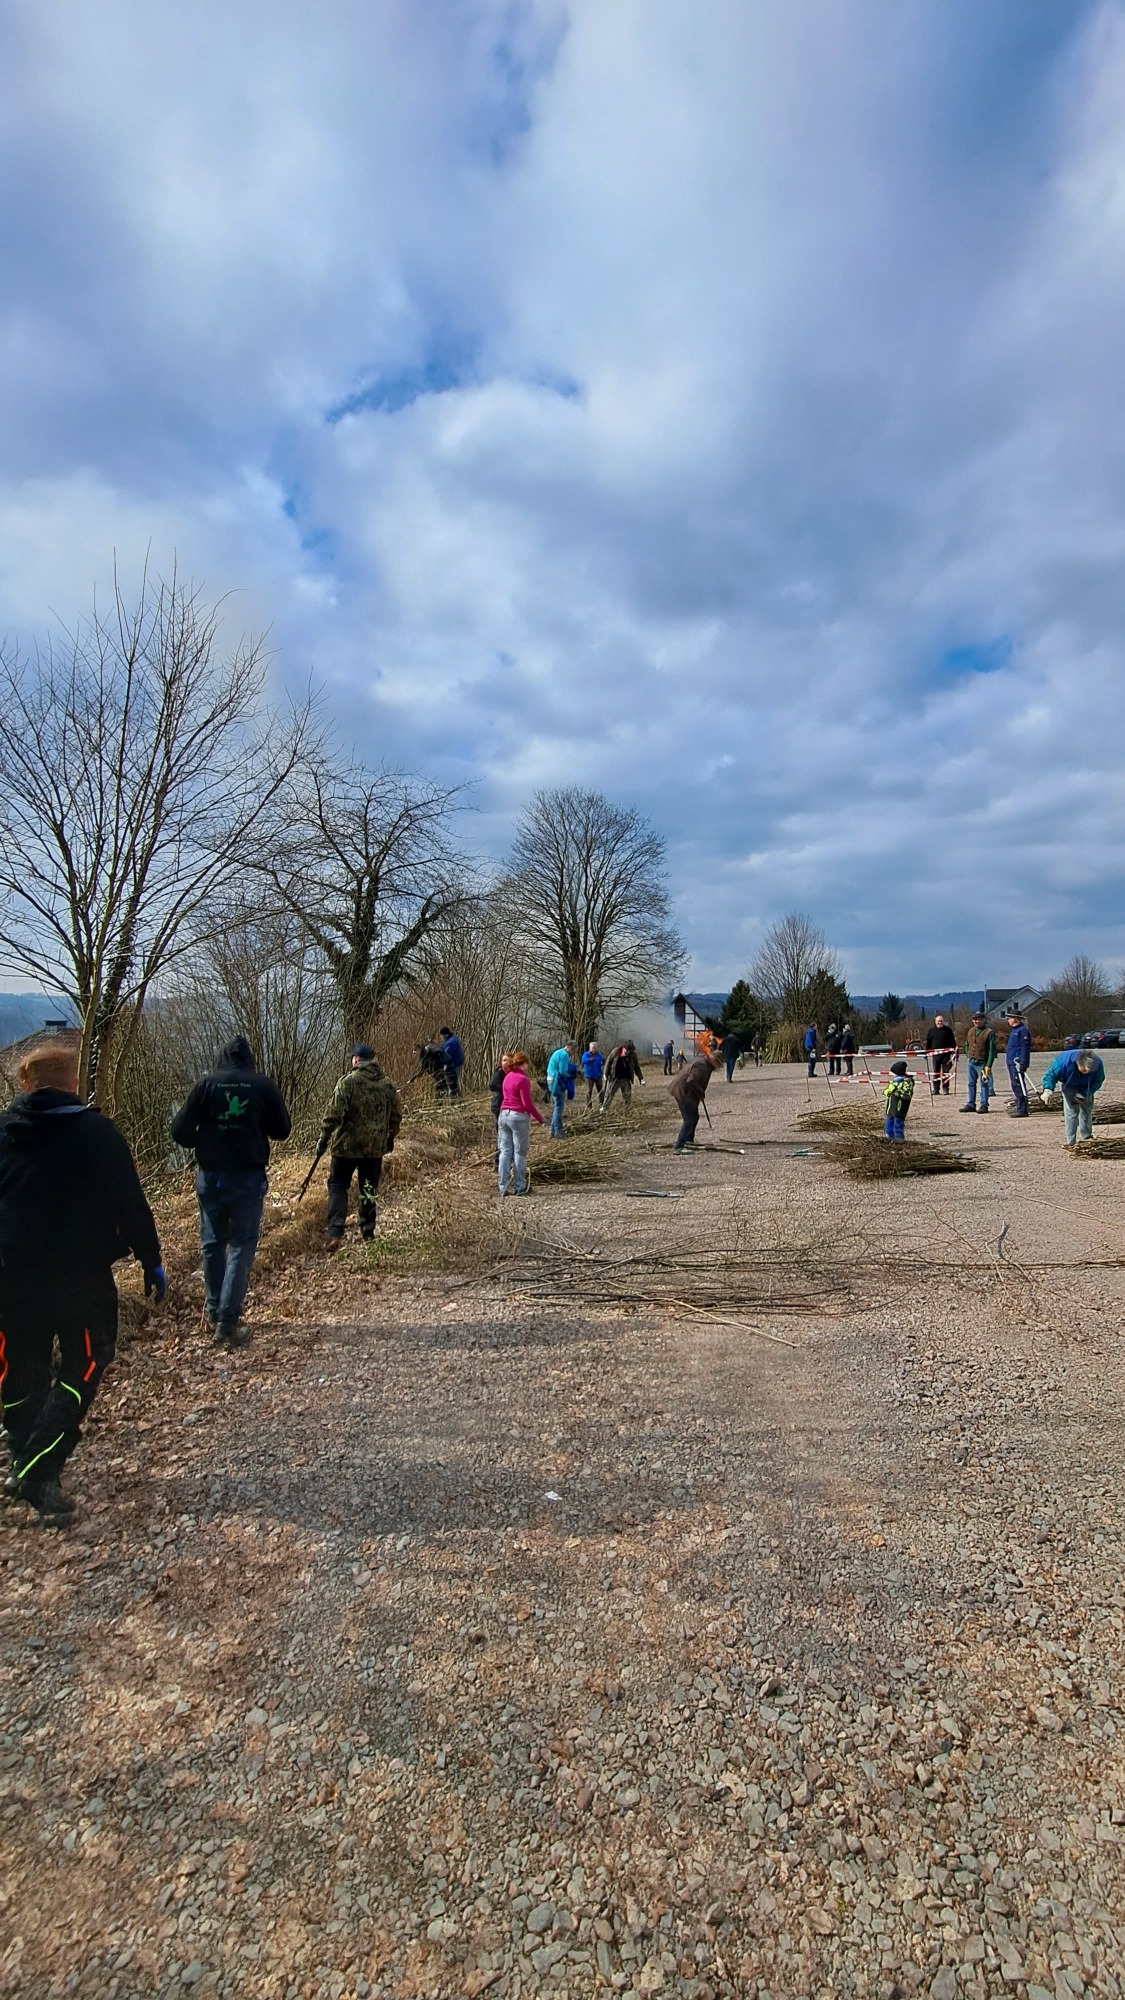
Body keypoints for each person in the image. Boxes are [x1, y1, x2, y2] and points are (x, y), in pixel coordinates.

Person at [0, 1040, 164, 1526]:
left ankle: (23, 1461)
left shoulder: (3, 1132)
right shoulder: (97, 1134)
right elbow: (130, 1205)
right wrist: (151, 1260)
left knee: (21, 1371)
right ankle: (37, 1470)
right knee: (85, 1364)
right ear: (73, 1083)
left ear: (25, 1084)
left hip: (12, 1280)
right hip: (81, 1282)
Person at [171, 1035, 291, 1347]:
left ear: (221, 1057)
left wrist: (202, 1139)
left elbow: (178, 1130)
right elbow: (282, 1130)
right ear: (249, 1059)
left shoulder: (206, 1085)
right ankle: (227, 1322)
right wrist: (254, 1124)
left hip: (210, 1176)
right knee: (241, 1245)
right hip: (247, 1177)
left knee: (212, 1243)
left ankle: (214, 1312)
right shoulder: (262, 1085)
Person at [316, 1045, 401, 1250]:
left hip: (346, 1147)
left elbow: (333, 1114)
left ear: (356, 1059)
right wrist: (390, 1137)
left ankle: (335, 1232)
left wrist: (323, 1138)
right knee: (368, 1188)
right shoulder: (388, 1085)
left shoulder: (348, 1082)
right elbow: (396, 1116)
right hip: (374, 1148)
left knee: (338, 1185)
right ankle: (368, 1232)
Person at [497, 1051, 543, 1194]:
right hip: (518, 1117)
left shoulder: (507, 1077)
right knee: (519, 1153)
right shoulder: (523, 1080)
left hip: (503, 1114)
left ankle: (502, 1186)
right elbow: (526, 1103)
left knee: (505, 1151)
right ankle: (519, 1186)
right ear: (524, 1064)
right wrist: (539, 1118)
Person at [1040, 1047, 1105, 1148]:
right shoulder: (1063, 1062)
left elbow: (1098, 1081)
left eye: (1089, 1071)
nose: (1086, 1072)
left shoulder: (1098, 1064)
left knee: (1086, 1110)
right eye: (1084, 1070)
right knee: (1071, 1112)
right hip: (1069, 1085)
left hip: (1087, 1086)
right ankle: (1071, 1141)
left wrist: (1084, 1093)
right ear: (1078, 1063)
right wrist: (1048, 1090)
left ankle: (1087, 1137)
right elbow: (1051, 1075)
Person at [670, 1049, 722, 1152]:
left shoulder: (706, 1065)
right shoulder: (702, 1065)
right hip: (683, 1092)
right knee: (688, 1120)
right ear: (714, 1059)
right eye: (718, 1063)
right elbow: (691, 1080)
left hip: (687, 1093)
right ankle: (679, 1146)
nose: (718, 1066)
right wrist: (700, 1092)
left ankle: (689, 1140)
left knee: (694, 1117)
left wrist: (699, 1093)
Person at [960, 1011, 996, 1114]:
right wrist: (968, 1054)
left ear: (983, 1020)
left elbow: (992, 1050)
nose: (976, 1022)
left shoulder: (989, 1032)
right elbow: (967, 1043)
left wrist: (988, 1065)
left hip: (982, 1062)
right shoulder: (971, 1030)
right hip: (971, 1061)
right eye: (974, 1020)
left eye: (978, 1020)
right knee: (971, 1083)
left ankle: (984, 1105)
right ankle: (971, 1104)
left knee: (984, 1084)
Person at [602, 1041, 644, 1114]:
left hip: (626, 1078)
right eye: (626, 1050)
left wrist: (641, 1079)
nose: (627, 1052)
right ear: (623, 1048)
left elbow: (637, 1067)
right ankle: (604, 1108)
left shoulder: (633, 1056)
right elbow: (608, 1061)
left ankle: (627, 1110)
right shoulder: (616, 1051)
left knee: (627, 1095)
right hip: (615, 1077)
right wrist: (605, 1073)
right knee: (609, 1094)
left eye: (629, 1051)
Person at [1005, 1011, 1033, 1117]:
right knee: (1014, 1084)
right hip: (1011, 1061)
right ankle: (1019, 1106)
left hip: (1017, 1062)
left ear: (1016, 1019)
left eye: (1010, 1018)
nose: (1008, 1020)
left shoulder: (1022, 1031)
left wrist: (1023, 1062)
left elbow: (1025, 1047)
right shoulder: (1014, 1031)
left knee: (1018, 1084)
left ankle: (1022, 1109)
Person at [546, 1042, 576, 1138]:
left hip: (550, 1079)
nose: (573, 1054)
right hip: (556, 1081)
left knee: (556, 1106)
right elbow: (563, 1071)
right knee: (559, 1107)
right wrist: (571, 1076)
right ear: (570, 1048)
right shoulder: (564, 1055)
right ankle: (558, 1131)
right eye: (574, 1051)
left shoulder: (558, 1052)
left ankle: (552, 1131)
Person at [925, 1014, 957, 1097]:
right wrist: (926, 1052)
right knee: (936, 1072)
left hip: (946, 1055)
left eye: (941, 1021)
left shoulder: (948, 1030)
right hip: (935, 1055)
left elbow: (952, 1042)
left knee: (946, 1072)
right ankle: (936, 1089)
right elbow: (928, 1042)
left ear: (943, 1022)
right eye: (938, 1021)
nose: (940, 1022)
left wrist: (955, 1051)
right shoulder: (931, 1031)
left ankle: (946, 1088)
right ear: (935, 1022)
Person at [884, 1058, 914, 1142]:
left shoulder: (906, 1082)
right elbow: (889, 1092)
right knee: (888, 1126)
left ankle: (899, 1140)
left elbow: (907, 1094)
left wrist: (895, 1091)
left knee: (897, 1126)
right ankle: (889, 1139)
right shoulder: (894, 1082)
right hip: (891, 1108)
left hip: (899, 1109)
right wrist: (888, 1092)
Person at [439, 1027, 464, 1098]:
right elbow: (444, 1047)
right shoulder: (451, 1039)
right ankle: (458, 1097)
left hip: (455, 1064)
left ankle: (455, 1097)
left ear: (445, 1034)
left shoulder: (451, 1042)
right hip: (456, 1063)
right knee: (454, 1082)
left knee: (452, 1081)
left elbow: (447, 1054)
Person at [581, 1041, 605, 1108]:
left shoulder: (599, 1055)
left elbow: (601, 1062)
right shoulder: (586, 1054)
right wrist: (589, 1059)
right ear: (590, 1048)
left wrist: (603, 1063)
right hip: (589, 1076)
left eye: (595, 1048)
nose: (593, 1049)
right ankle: (589, 1106)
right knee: (589, 1091)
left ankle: (601, 1104)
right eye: (592, 1048)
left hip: (598, 1075)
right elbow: (583, 1060)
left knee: (601, 1090)